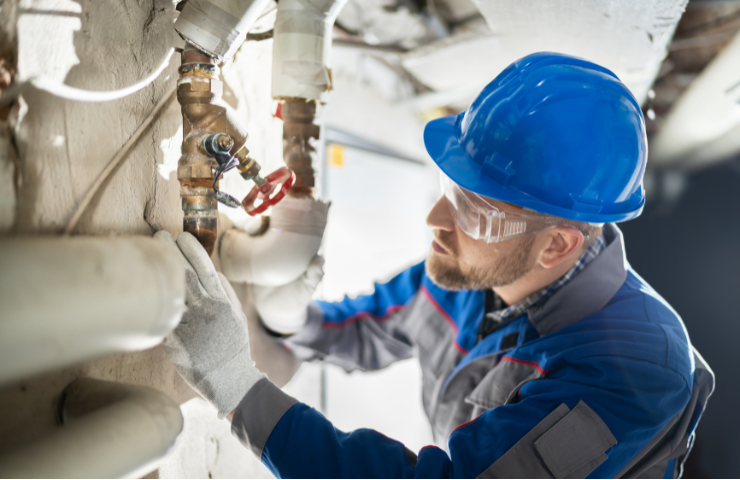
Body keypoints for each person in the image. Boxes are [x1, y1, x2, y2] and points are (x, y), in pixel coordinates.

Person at [156, 52, 714, 479]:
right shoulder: (472, 273)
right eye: (452, 186)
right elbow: (371, 325)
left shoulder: (634, 372)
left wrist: (235, 385)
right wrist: (288, 315)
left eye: (474, 209)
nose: (435, 218)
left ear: (557, 246)